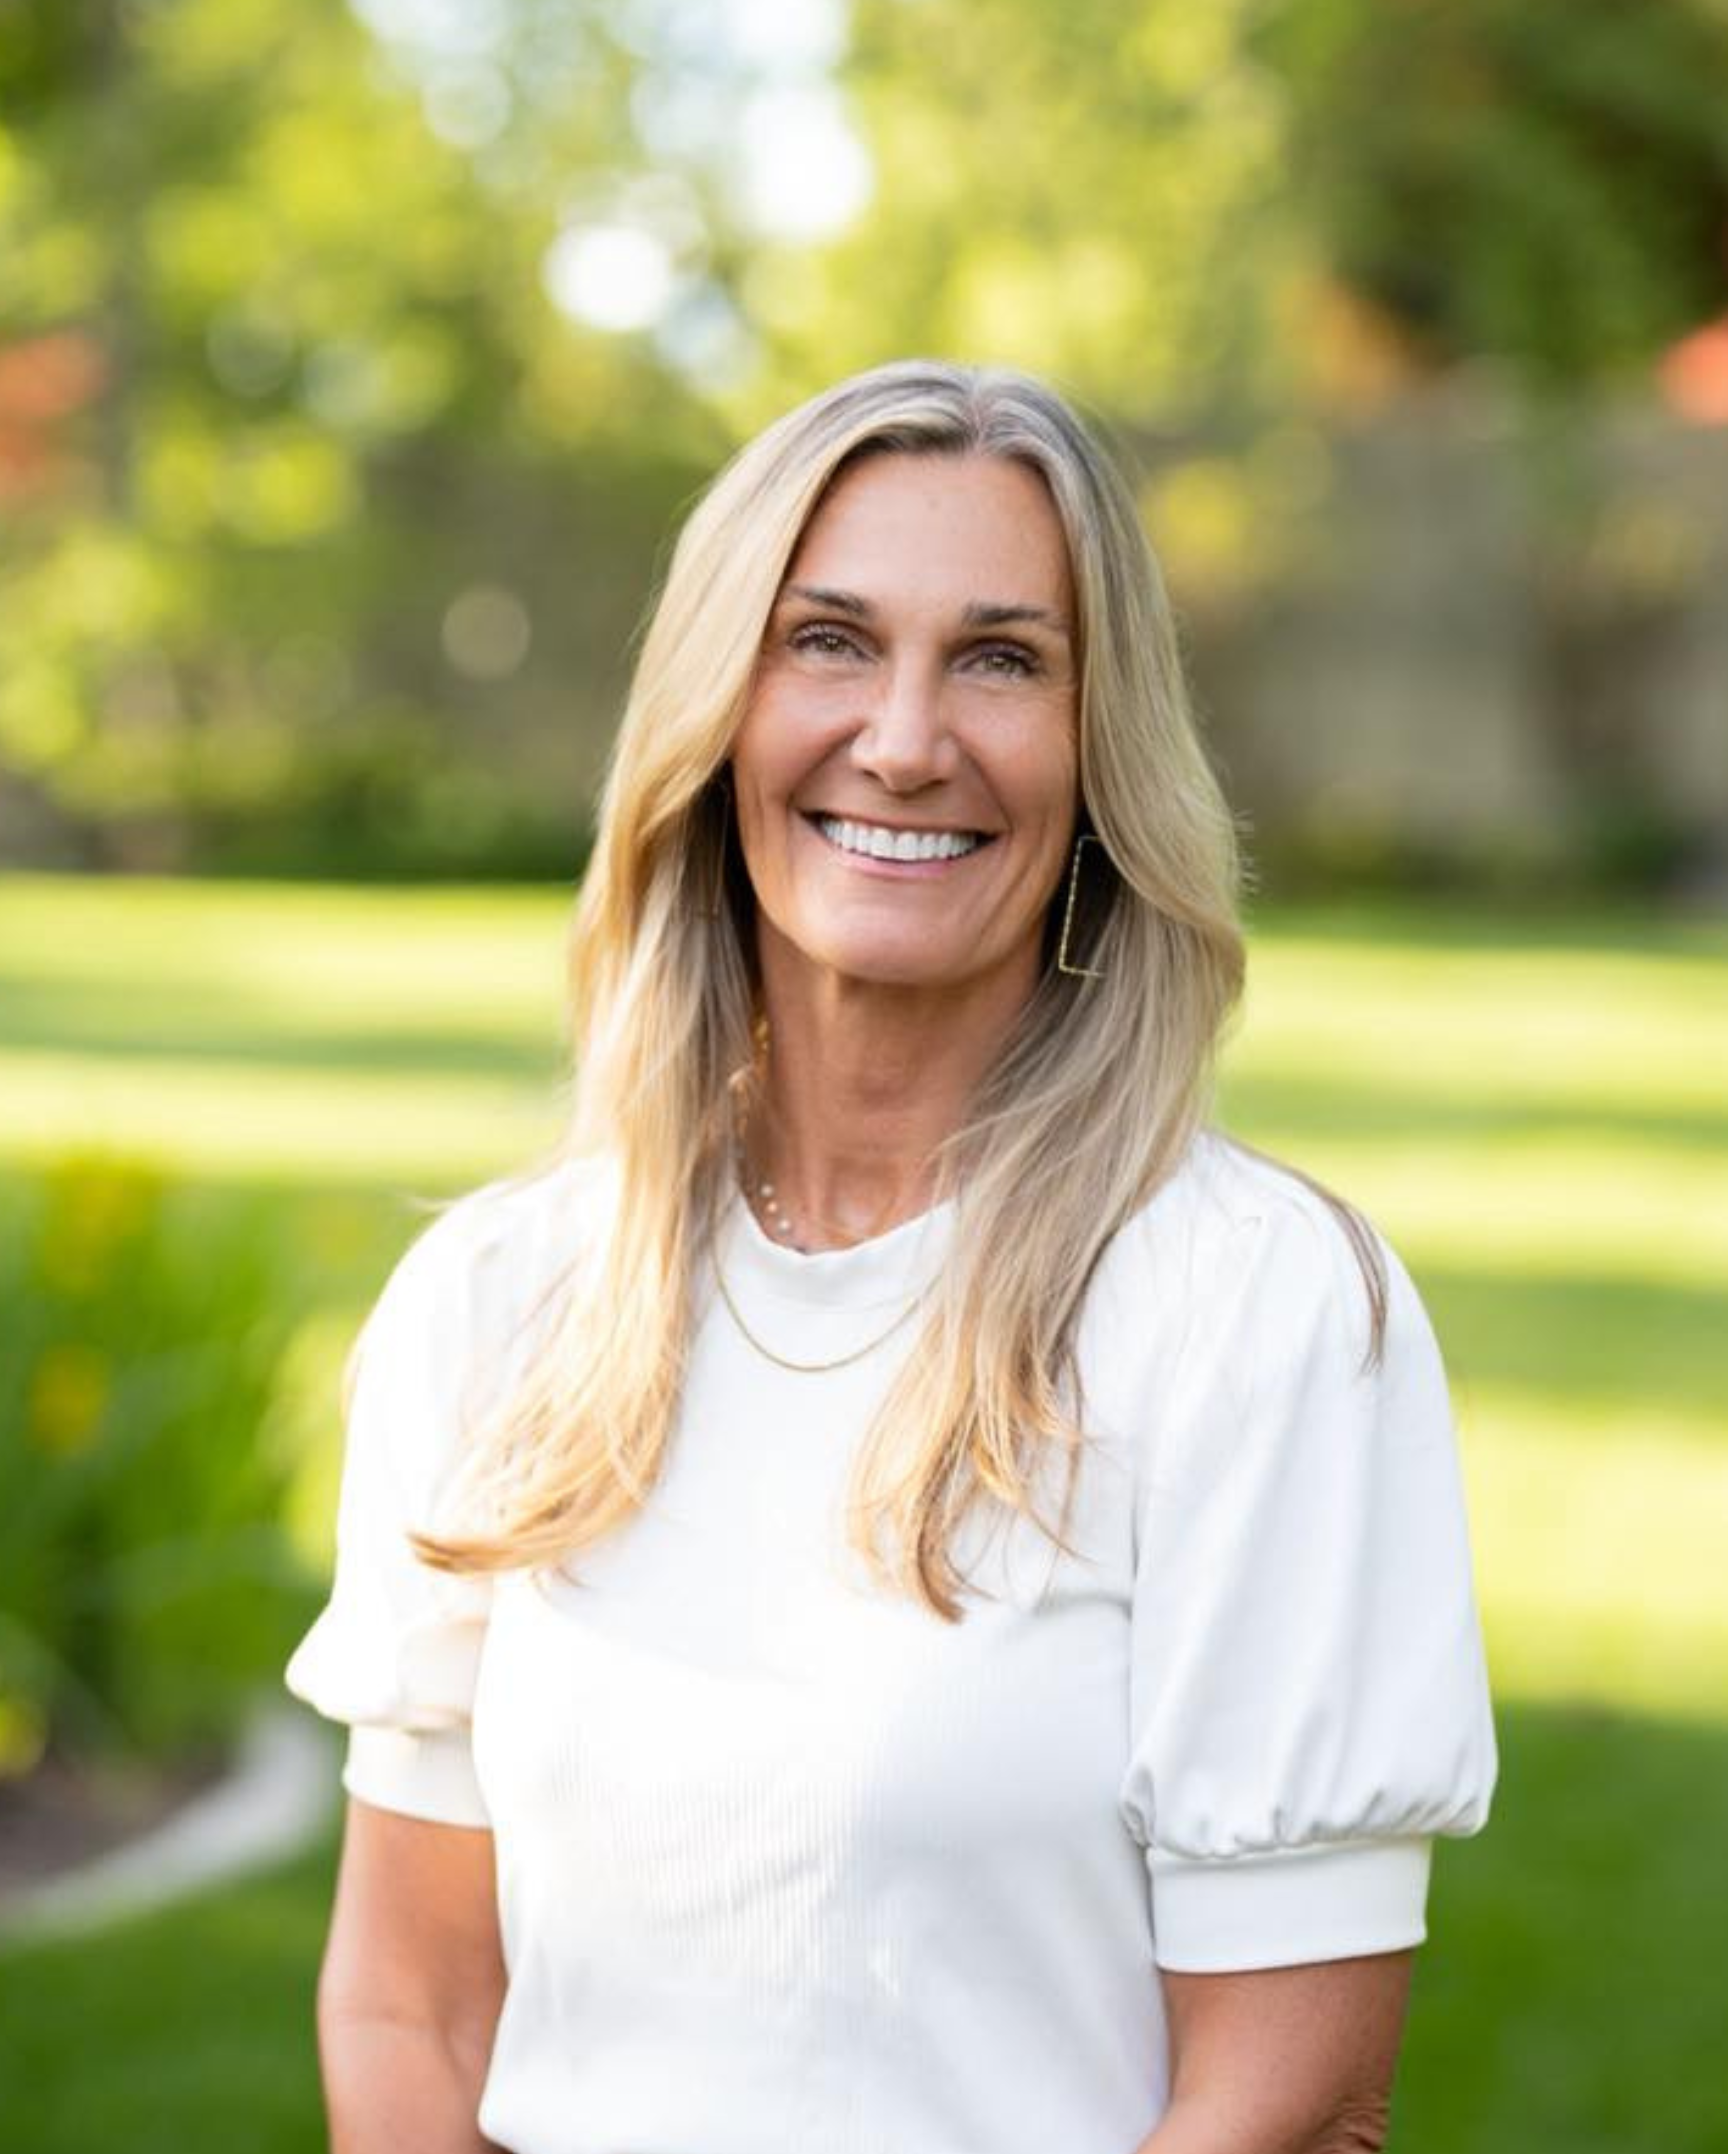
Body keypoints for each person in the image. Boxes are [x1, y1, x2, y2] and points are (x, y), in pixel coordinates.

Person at [286, 357, 1496, 2154]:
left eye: (1001, 659)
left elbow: (1291, 2096)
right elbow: (413, 2002)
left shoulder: (1256, 1313)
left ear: (1099, 754)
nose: (907, 740)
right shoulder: (497, 1301)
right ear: (716, 709)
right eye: (827, 641)